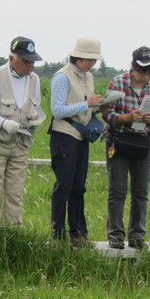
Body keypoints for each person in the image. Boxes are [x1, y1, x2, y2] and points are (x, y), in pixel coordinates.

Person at [103, 46, 150, 250]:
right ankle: (115, 236)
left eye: (149, 72)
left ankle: (137, 236)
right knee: (117, 191)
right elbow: (107, 114)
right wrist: (127, 118)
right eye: (142, 71)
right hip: (119, 141)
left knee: (141, 192)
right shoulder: (118, 82)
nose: (145, 77)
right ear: (133, 66)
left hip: (143, 143)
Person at [0, 36, 42, 229]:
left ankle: (13, 234)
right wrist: (4, 122)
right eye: (25, 61)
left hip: (21, 145)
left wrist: (34, 119)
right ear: (11, 58)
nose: (29, 66)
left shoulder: (34, 79)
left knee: (15, 192)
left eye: (32, 62)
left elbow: (35, 107)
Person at [49, 37, 104, 247]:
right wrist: (86, 104)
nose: (92, 64)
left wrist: (98, 107)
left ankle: (79, 233)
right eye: (89, 59)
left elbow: (86, 107)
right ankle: (58, 235)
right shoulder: (62, 77)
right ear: (78, 56)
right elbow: (58, 110)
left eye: (94, 60)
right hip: (64, 136)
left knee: (79, 186)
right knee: (64, 185)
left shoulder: (88, 76)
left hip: (82, 136)